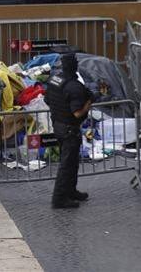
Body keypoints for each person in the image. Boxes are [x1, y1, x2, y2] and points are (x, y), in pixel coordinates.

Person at [45, 52, 93, 208]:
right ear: (75, 67)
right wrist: (89, 102)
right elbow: (77, 112)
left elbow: (47, 99)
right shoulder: (74, 86)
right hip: (69, 129)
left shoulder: (54, 79)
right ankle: (59, 199)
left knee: (72, 163)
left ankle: (71, 191)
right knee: (67, 165)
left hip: (58, 125)